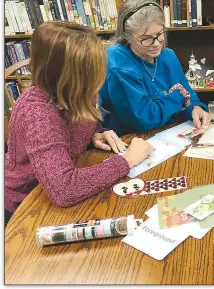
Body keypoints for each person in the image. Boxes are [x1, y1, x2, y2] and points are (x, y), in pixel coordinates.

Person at [5, 22, 154, 225]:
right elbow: (64, 189)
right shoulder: (38, 112)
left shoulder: (78, 93)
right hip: (27, 207)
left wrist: (95, 135)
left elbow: (70, 132)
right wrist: (126, 160)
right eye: (94, 73)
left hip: (61, 187)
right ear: (73, 78)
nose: (101, 79)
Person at [99, 0, 211, 136]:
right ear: (127, 36)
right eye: (146, 39)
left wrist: (195, 107)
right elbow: (143, 118)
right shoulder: (118, 64)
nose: (157, 44)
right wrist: (178, 97)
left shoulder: (167, 55)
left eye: (160, 34)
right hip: (131, 139)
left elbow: (188, 93)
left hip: (168, 134)